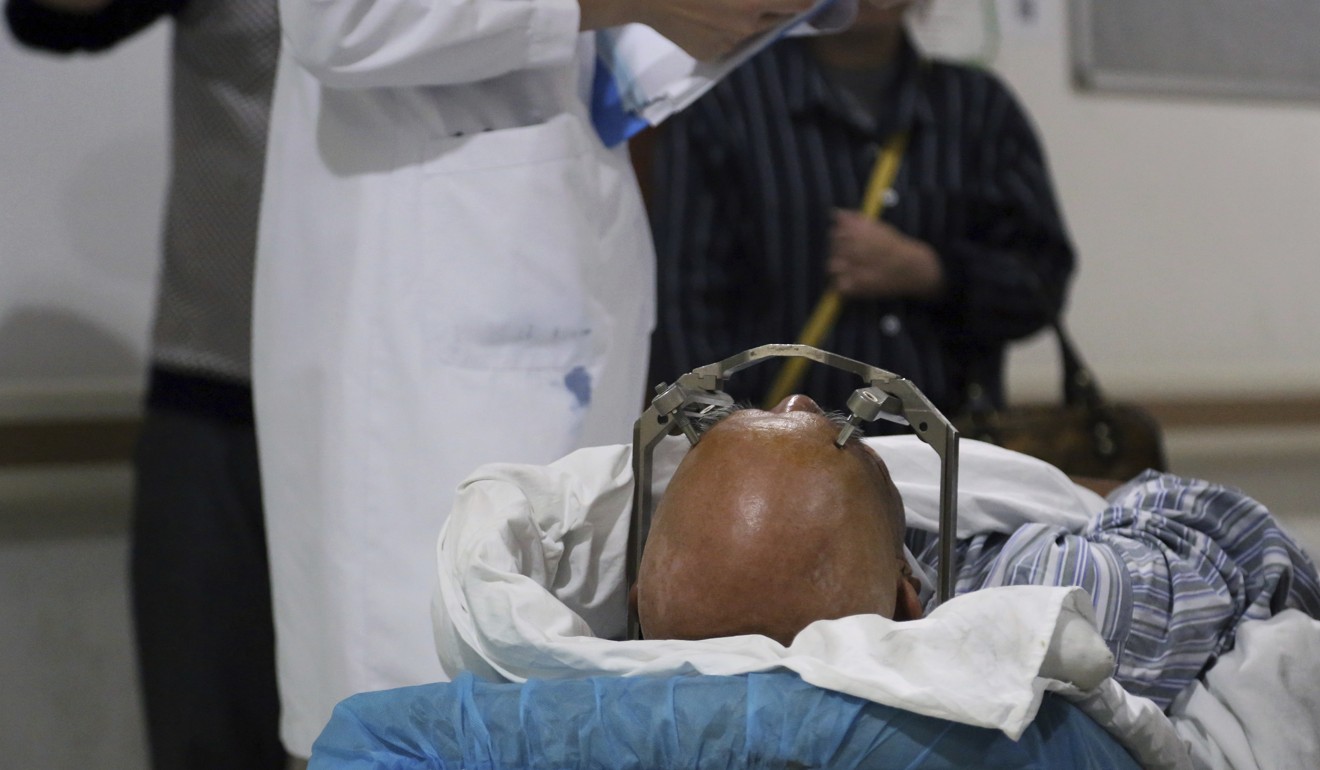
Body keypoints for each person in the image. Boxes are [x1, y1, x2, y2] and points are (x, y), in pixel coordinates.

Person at [251, 0, 861, 757]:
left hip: (551, 235)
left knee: (551, 707)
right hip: (426, 317)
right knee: (428, 710)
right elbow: (339, 18)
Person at [636, 394, 1320, 711]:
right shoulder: (1047, 593)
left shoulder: (666, 594)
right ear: (908, 596)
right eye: (822, 429)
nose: (796, 392)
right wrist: (1083, 494)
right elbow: (1238, 537)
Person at [4, 0, 285, 768]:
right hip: (217, 393)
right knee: (204, 738)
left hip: (410, 394)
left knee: (424, 723)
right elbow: (52, 18)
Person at [645, 0, 1076, 414]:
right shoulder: (728, 103)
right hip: (778, 457)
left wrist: (931, 272)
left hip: (950, 451)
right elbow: (683, 302)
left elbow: (1042, 283)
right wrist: (721, 439)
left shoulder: (978, 108)